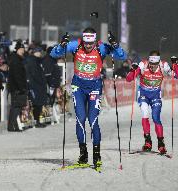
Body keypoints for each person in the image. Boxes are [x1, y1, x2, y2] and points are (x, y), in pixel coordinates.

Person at [50, 27, 127, 168]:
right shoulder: (76, 45)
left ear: (95, 41)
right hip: (78, 86)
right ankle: (83, 154)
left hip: (94, 87)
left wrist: (115, 45)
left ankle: (96, 155)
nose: (88, 46)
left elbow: (122, 56)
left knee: (93, 120)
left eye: (90, 43)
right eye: (86, 43)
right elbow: (54, 54)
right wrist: (61, 45)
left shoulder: (101, 47)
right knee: (80, 119)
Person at [126, 50, 178, 154]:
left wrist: (175, 64)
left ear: (159, 62)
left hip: (156, 95)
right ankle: (148, 142)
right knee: (144, 113)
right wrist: (133, 70)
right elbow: (129, 79)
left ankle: (161, 144)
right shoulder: (143, 64)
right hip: (143, 94)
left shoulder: (163, 66)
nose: (152, 67)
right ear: (149, 61)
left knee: (156, 117)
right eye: (151, 64)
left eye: (155, 65)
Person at [25, 46, 48, 128]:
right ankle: (35, 121)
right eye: (38, 52)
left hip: (38, 85)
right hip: (34, 85)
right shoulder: (32, 61)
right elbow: (34, 74)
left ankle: (37, 120)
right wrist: (41, 82)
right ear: (35, 52)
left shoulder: (37, 61)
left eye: (40, 52)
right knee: (36, 104)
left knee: (38, 104)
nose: (40, 53)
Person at [8, 41, 28, 132]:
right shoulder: (15, 60)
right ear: (16, 50)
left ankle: (14, 125)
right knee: (15, 107)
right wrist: (21, 87)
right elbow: (17, 76)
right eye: (20, 49)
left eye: (23, 49)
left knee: (17, 107)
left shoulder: (19, 59)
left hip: (17, 87)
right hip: (16, 88)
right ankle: (12, 126)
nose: (22, 51)